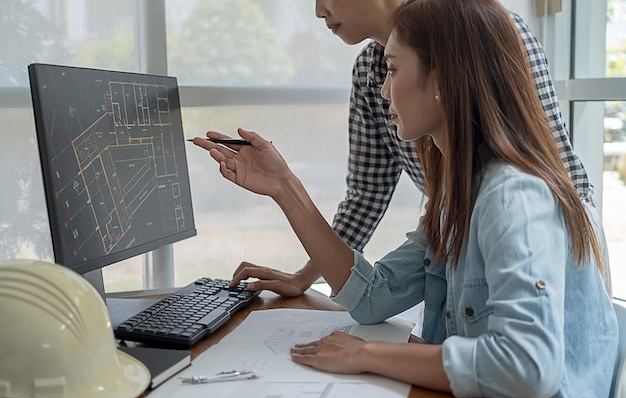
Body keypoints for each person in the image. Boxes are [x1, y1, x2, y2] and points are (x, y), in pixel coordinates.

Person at [192, 0, 617, 398]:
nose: (381, 88)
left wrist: (368, 355)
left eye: (393, 69)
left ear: (442, 80)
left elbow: (526, 368)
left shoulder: (512, 197)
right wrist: (285, 187)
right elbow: (373, 297)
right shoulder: (455, 197)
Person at [221, 0, 612, 299]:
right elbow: (366, 195)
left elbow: (548, 163)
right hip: (455, 231)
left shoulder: (483, 30)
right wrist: (306, 276)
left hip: (549, 241)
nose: (318, 10)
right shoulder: (366, 72)